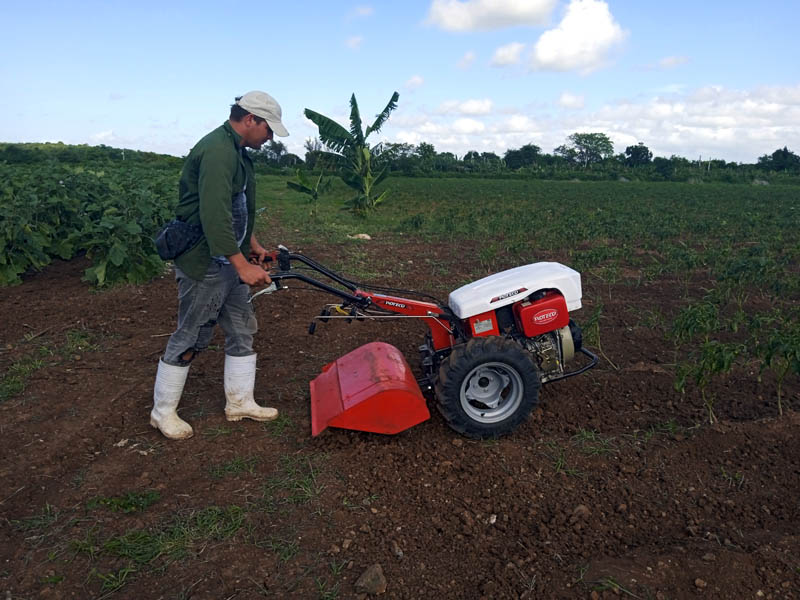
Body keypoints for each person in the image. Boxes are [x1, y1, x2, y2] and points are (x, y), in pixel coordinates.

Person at [150, 91, 289, 440]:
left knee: (242, 329)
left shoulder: (237, 152)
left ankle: (240, 402)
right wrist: (242, 265)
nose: (270, 137)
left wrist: (252, 244)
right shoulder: (217, 151)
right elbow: (213, 216)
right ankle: (162, 412)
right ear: (250, 120)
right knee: (192, 333)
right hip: (205, 261)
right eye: (268, 129)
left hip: (227, 259)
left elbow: (235, 206)